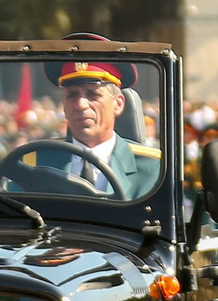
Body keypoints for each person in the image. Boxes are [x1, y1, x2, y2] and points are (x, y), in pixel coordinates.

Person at [12, 56, 163, 197]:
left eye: (93, 94)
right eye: (72, 95)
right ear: (64, 106)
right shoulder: (34, 162)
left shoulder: (153, 168)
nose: (80, 104)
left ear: (118, 104)